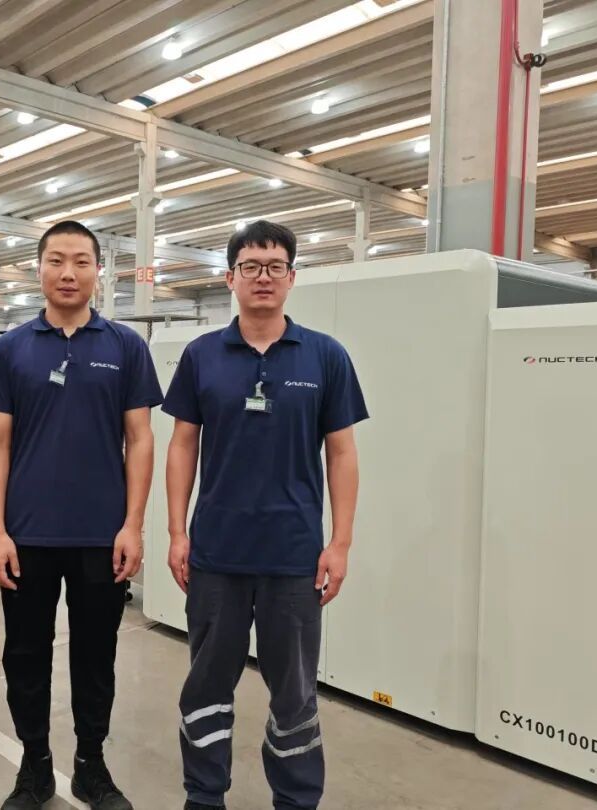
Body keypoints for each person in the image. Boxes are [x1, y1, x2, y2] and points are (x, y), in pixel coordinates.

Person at [162, 220, 368, 810]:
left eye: (275, 266)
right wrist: (177, 532)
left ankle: (296, 800)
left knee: (295, 693)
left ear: (292, 277)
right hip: (216, 555)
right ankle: (204, 796)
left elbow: (342, 452)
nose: (263, 277)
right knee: (206, 685)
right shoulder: (201, 355)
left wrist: (340, 543)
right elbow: (182, 446)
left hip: (294, 558)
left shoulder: (325, 356)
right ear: (230, 278)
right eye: (250, 266)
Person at [0, 220, 163, 810]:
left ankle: (90, 764)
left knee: (96, 656)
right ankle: (34, 766)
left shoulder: (125, 347)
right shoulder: (11, 349)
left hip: (101, 536)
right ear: (38, 269)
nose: (68, 273)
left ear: (98, 272)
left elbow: (141, 439)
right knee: (25, 655)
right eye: (56, 260)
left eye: (81, 261)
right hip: (27, 535)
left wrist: (133, 525)